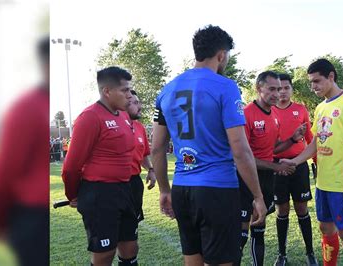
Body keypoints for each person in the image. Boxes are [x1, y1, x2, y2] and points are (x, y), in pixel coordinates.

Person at [152, 25, 267, 266]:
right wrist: (257, 195)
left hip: (182, 188)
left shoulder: (167, 89)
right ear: (221, 55)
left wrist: (165, 189)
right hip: (217, 189)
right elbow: (240, 149)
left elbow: (157, 148)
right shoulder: (225, 86)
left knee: (192, 259)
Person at [281, 58, 343, 266]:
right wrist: (294, 161)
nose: (313, 87)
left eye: (317, 81)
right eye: (311, 83)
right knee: (325, 228)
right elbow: (315, 145)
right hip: (323, 182)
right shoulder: (320, 108)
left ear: (331, 77)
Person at [62, 66, 138, 266]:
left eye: (130, 90)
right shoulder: (89, 117)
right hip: (100, 194)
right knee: (104, 254)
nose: (129, 95)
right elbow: (70, 167)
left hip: (124, 189)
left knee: (130, 247)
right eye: (125, 90)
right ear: (107, 91)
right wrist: (74, 195)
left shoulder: (122, 116)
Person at [0, 36, 50, 266]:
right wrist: (2, 224)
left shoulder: (27, 107)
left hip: (33, 218)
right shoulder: (26, 108)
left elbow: (0, 178)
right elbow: (3, 176)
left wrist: (0, 223)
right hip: (32, 219)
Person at [238, 70, 306, 266]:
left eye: (279, 89)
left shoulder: (274, 114)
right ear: (259, 88)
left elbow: (272, 148)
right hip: (245, 178)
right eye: (272, 89)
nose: (277, 93)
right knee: (240, 236)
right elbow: (243, 157)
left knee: (259, 228)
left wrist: (292, 139)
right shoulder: (245, 114)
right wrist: (276, 167)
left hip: (267, 179)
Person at [272, 73, 317, 266]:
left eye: (286, 88)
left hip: (298, 165)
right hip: (277, 166)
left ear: (291, 89)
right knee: (281, 209)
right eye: (278, 88)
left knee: (301, 208)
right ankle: (282, 254)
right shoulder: (269, 111)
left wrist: (315, 162)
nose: (282, 92)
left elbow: (309, 138)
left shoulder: (300, 109)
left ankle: (310, 253)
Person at [126, 90, 156, 223]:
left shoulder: (139, 127)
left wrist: (150, 169)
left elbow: (143, 154)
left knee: (132, 229)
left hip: (134, 183)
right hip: (113, 185)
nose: (140, 106)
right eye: (136, 103)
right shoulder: (108, 125)